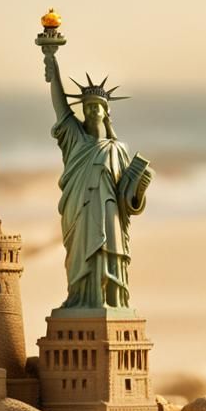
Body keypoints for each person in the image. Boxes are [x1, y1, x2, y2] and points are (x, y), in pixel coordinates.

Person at [45, 55, 153, 310]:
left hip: (110, 215)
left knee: (110, 254)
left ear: (106, 112)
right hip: (79, 212)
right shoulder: (75, 139)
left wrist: (140, 189)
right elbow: (60, 106)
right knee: (81, 256)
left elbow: (127, 199)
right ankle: (81, 299)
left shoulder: (118, 149)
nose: (93, 110)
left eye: (98, 106)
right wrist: (53, 62)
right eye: (88, 106)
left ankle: (112, 301)